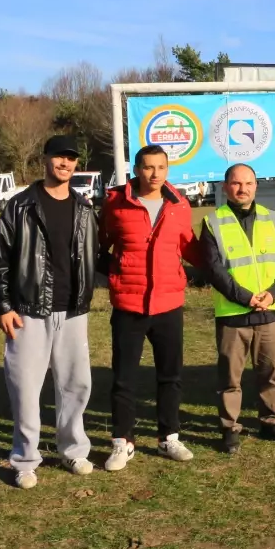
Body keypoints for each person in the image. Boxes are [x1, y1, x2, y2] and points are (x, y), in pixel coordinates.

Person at [0, 136, 97, 488]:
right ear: (45, 159)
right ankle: (25, 460)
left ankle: (73, 450)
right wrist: (3, 305)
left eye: (71, 158)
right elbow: (0, 260)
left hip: (73, 310)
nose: (65, 163)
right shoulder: (20, 206)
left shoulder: (84, 207)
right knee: (25, 387)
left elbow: (94, 256)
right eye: (59, 157)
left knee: (75, 384)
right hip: (28, 311)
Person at [99, 144, 204, 470]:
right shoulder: (116, 203)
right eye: (148, 167)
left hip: (168, 304)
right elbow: (98, 246)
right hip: (128, 304)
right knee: (124, 378)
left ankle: (168, 437)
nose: (154, 173)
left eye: (160, 167)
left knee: (170, 376)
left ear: (167, 169)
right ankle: (122, 442)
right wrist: (116, 273)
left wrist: (219, 268)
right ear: (136, 170)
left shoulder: (179, 204)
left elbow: (189, 247)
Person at [200, 163, 275, 453]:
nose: (243, 189)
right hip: (233, 313)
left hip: (269, 310)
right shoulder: (212, 222)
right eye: (236, 183)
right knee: (230, 376)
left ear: (256, 186)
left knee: (270, 372)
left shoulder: (273, 218)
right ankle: (230, 427)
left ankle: (271, 421)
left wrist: (273, 293)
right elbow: (214, 269)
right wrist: (245, 297)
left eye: (248, 183)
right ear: (225, 187)